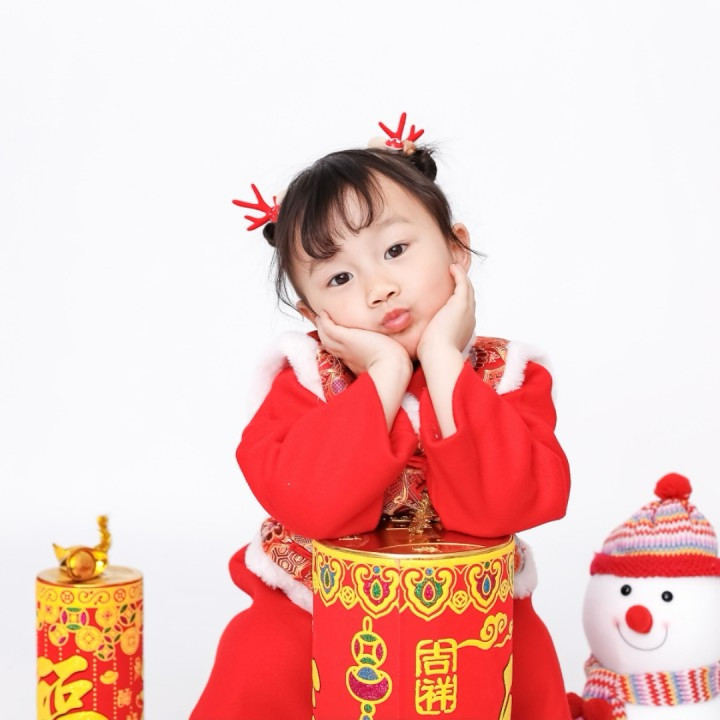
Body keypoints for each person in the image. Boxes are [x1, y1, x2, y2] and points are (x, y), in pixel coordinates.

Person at [191, 115, 572, 720]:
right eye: (339, 277)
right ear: (312, 313)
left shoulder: (509, 375)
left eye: (396, 250)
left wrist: (443, 361)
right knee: (259, 655)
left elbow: (510, 503)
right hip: (316, 606)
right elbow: (312, 504)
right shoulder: (303, 379)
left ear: (456, 248)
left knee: (526, 665)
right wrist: (385, 374)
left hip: (472, 610)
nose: (378, 288)